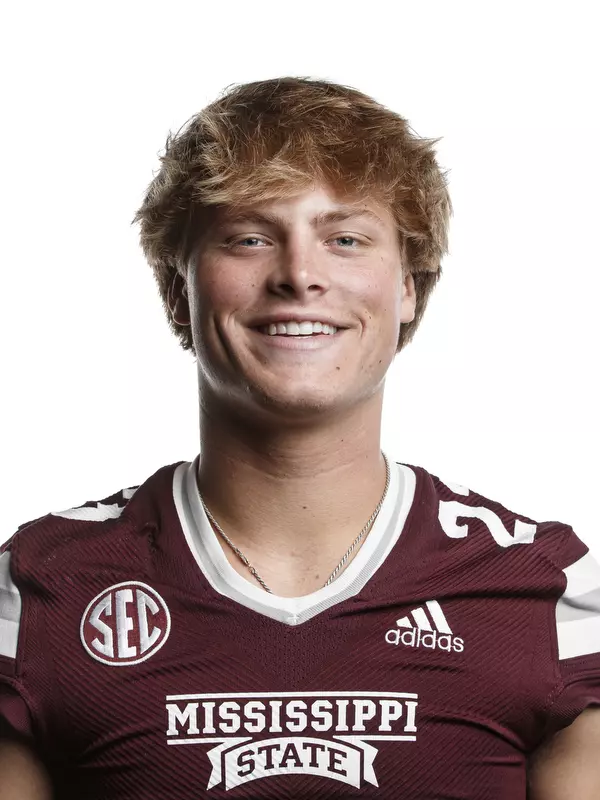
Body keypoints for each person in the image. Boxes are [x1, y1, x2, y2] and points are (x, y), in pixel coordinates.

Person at [1, 76, 599, 800]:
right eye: (251, 238)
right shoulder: (38, 590)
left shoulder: (548, 593)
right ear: (175, 288)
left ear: (409, 285)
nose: (299, 276)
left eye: (345, 239)